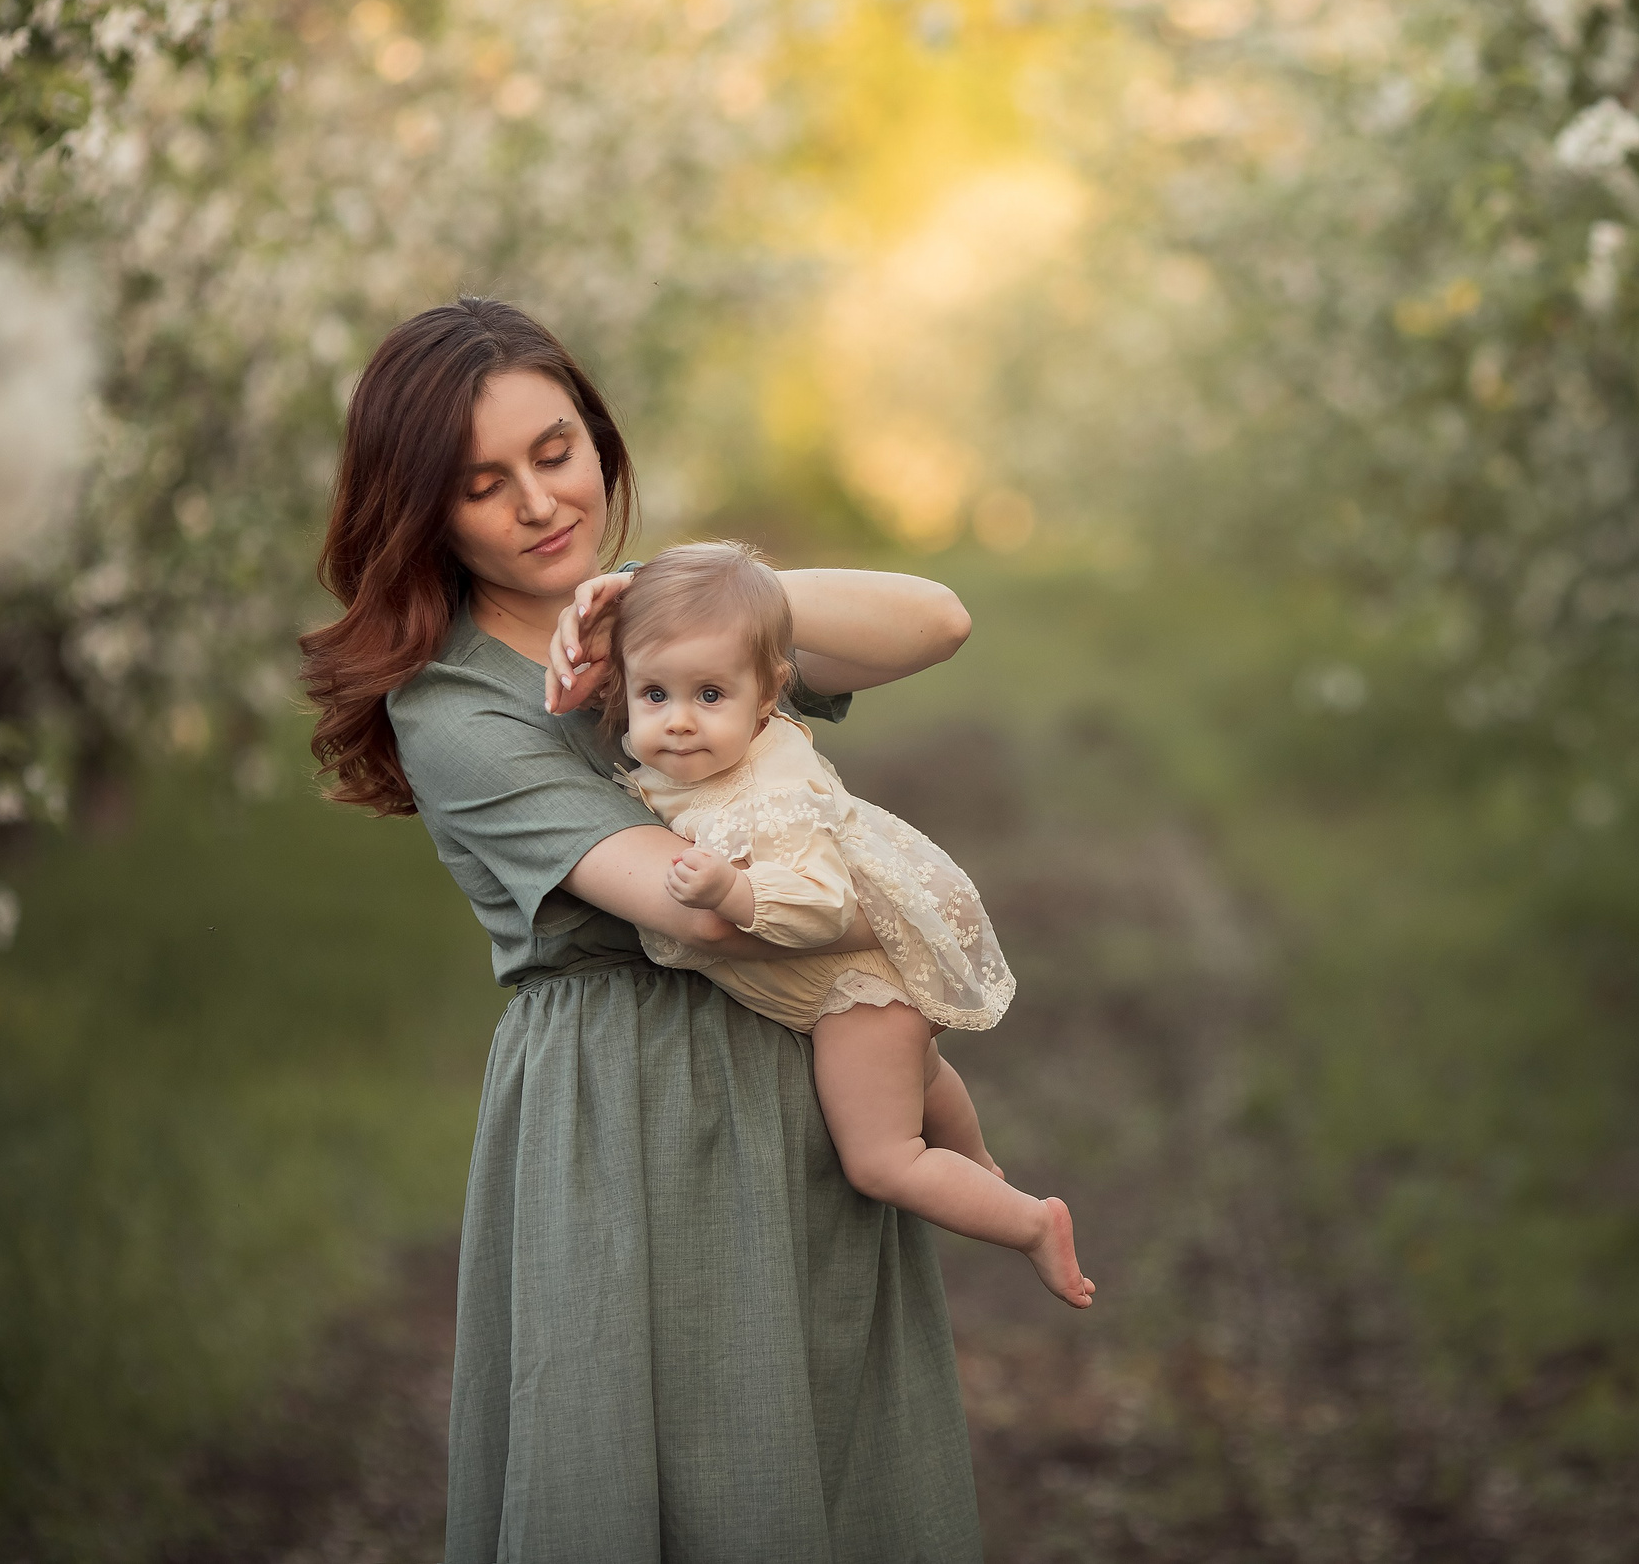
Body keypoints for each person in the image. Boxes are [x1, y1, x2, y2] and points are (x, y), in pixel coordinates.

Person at [299, 297, 986, 1561]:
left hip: (792, 1085)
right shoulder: (450, 706)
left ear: (599, 442)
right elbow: (697, 903)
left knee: (826, 1452)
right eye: (481, 484)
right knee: (634, 1468)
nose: (536, 504)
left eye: (554, 452)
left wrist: (709, 597)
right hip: (621, 1107)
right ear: (426, 512)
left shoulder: (675, 623)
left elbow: (935, 621)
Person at [594, 541, 1094, 1308]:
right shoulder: (679, 762)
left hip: (855, 992)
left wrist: (734, 889)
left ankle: (1028, 1222)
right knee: (920, 1077)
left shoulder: (773, 786)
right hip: (860, 994)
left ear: (768, 696)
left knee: (884, 1160)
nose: (680, 722)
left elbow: (823, 902)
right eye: (654, 695)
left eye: (709, 696)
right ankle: (980, 1167)